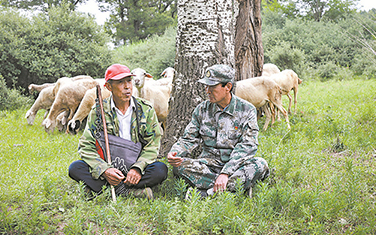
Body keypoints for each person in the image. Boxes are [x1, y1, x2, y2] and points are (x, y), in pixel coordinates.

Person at [167, 64, 269, 198]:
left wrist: (226, 173)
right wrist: (176, 152)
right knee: (180, 167)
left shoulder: (247, 110)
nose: (207, 90)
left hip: (236, 164)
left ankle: (205, 193)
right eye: (206, 86)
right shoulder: (202, 109)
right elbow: (189, 138)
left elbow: (248, 145)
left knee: (260, 165)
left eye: (212, 87)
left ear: (228, 87)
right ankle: (234, 188)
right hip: (208, 164)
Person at [69, 64, 168, 199]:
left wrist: (138, 168)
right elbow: (86, 145)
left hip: (134, 166)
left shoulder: (146, 109)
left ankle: (102, 191)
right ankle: (130, 192)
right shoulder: (98, 111)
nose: (127, 86)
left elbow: (153, 143)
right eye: (121, 82)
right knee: (75, 168)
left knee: (160, 170)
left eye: (129, 81)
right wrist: (104, 170)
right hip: (109, 166)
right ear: (109, 87)